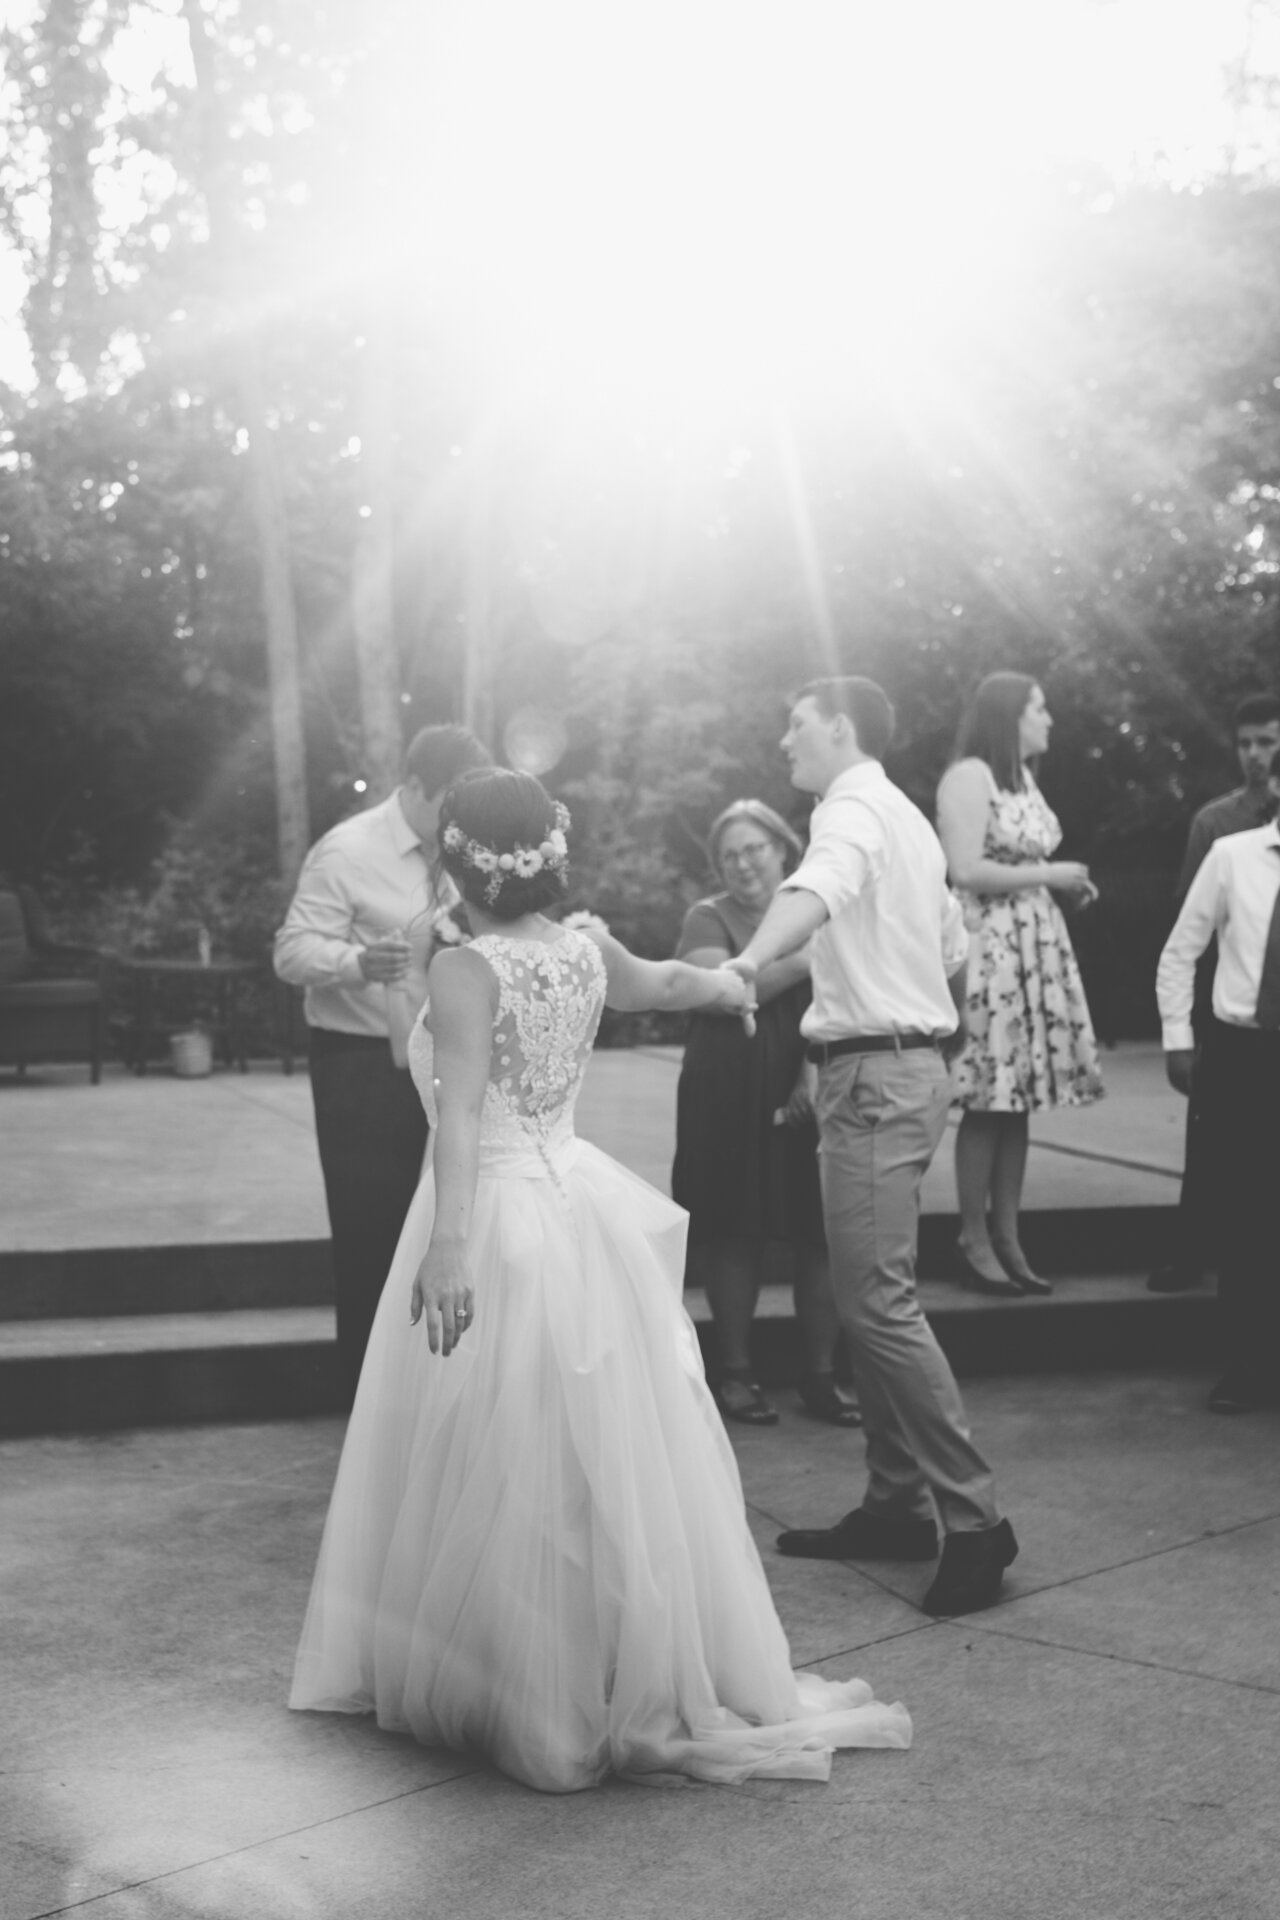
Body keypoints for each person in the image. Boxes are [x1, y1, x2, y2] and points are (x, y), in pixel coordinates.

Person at [289, 768, 911, 1791]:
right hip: (574, 1200)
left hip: (490, 1213)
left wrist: (449, 1244)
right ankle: (604, 1664)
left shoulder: (460, 967)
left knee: (496, 1449)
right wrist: (729, 986)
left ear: (459, 862)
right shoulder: (579, 947)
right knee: (585, 1453)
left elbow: (450, 1112)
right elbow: (667, 982)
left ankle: (529, 1684)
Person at [725, 677, 1018, 1618]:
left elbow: (816, 889)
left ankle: (975, 1521)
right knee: (871, 1296)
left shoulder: (850, 811)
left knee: (878, 1305)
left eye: (796, 723)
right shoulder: (910, 819)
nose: (784, 740)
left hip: (876, 1081)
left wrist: (742, 965)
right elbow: (951, 947)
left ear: (841, 728)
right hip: (896, 1071)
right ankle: (897, 1506)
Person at [274, 723, 491, 1399]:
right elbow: (289, 951)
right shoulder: (346, 851)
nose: (458, 818)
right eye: (448, 801)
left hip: (448, 1062)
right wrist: (356, 963)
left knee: (446, 1224)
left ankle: (433, 1395)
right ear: (414, 786)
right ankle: (367, 1399)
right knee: (373, 1233)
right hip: (362, 1065)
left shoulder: (461, 850)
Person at [671, 798, 860, 1428]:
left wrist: (811, 1068)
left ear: (784, 848)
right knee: (735, 1230)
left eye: (755, 848)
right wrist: (806, 959)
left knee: (820, 1232)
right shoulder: (709, 916)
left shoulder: (821, 907)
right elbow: (720, 989)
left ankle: (821, 1375)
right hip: (727, 1092)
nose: (743, 863)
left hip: (815, 1080)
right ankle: (737, 1372)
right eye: (729, 855)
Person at [935, 674, 1103, 1297]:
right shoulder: (969, 775)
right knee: (987, 1097)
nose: (1049, 718)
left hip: (1034, 944)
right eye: (1039, 707)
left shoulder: (1020, 778)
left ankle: (1008, 1237)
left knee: (1019, 1098)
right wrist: (1053, 872)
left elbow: (1019, 866)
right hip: (992, 950)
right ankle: (972, 1238)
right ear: (1010, 716)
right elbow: (964, 869)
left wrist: (1061, 887)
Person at [1156, 742, 1280, 1414]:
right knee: (1248, 1210)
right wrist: (1179, 1041)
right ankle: (1251, 1362)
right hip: (1245, 1054)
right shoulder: (1233, 856)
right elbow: (1180, 953)